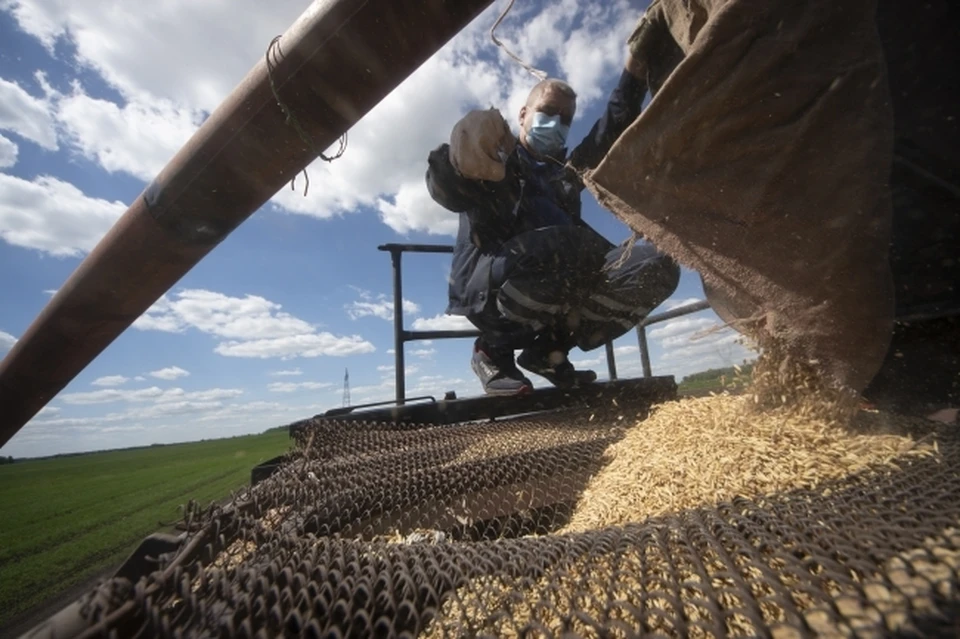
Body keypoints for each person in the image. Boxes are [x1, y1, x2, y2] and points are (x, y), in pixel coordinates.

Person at [425, 71, 680, 396]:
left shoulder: (566, 175)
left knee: (656, 263)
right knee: (571, 245)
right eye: (547, 112)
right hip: (491, 294)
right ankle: (492, 352)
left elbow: (611, 126)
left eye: (565, 119)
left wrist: (637, 69)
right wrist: (457, 161)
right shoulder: (495, 161)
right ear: (522, 114)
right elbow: (447, 186)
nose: (556, 123)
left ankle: (549, 352)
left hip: (558, 283)